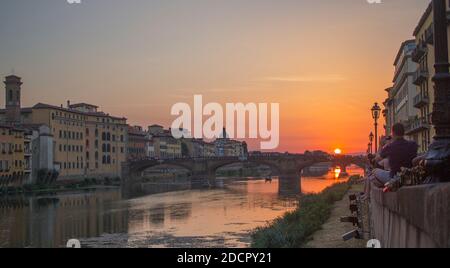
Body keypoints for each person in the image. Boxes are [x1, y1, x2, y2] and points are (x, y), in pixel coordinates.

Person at [363, 123, 418, 198]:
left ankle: (366, 196)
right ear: (404, 132)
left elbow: (376, 160)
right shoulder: (413, 144)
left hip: (394, 178)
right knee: (374, 176)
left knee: (374, 171)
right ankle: (366, 195)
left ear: (393, 133)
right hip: (409, 177)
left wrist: (381, 145)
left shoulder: (390, 147)